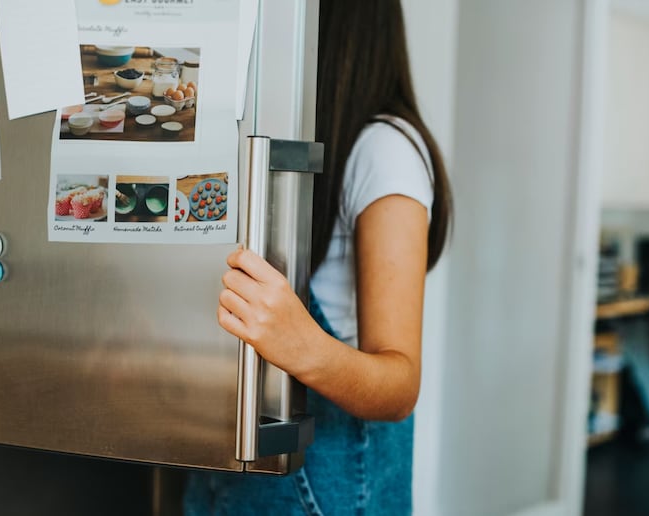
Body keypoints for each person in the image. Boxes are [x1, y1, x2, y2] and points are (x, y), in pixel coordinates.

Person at [185, 0, 452, 513]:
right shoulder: (275, 140)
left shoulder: (385, 148)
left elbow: (399, 385)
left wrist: (300, 343)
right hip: (226, 473)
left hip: (324, 492)